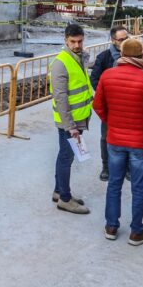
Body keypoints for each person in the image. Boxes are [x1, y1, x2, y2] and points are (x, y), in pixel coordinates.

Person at [92, 38, 143, 245]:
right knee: (139, 187)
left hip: (115, 140)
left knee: (114, 184)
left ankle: (111, 226)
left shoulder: (107, 76)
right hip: (140, 143)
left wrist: (113, 123)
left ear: (122, 54)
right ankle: (136, 231)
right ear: (142, 56)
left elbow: (98, 106)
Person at [49, 23, 93, 214]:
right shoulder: (61, 62)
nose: (77, 44)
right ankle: (65, 199)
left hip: (78, 118)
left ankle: (59, 191)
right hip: (70, 122)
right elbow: (60, 98)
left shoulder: (78, 57)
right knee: (66, 158)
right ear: (65, 40)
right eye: (73, 41)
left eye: (80, 41)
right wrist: (71, 127)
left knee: (64, 155)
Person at [91, 26, 130, 181]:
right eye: (121, 39)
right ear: (113, 40)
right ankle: (106, 167)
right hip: (110, 106)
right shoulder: (104, 57)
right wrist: (105, 94)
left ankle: (127, 167)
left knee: (127, 137)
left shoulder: (133, 55)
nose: (125, 42)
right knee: (106, 137)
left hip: (128, 106)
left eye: (127, 38)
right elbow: (94, 79)